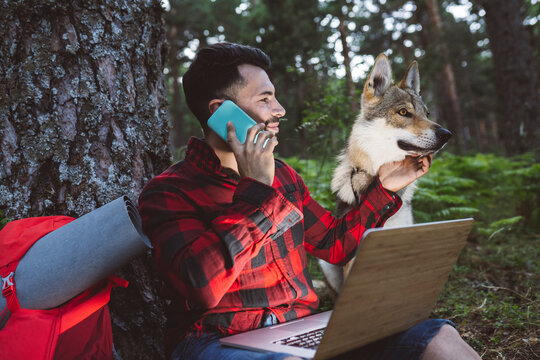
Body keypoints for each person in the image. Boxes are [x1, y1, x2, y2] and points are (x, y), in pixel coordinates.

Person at [138, 42, 480, 360]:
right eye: (265, 99)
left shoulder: (284, 177)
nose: (280, 110)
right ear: (221, 112)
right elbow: (201, 286)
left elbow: (334, 245)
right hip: (216, 342)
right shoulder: (170, 192)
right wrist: (255, 192)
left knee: (437, 337)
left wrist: (385, 189)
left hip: (302, 332)